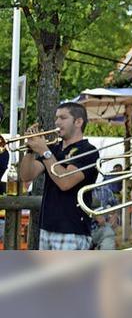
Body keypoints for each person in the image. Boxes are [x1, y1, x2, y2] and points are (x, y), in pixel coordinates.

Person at [19, 102, 98, 250]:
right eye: (56, 118)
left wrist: (44, 151)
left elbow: (65, 182)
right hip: (47, 227)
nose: (57, 122)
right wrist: (30, 150)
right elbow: (26, 175)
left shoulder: (88, 151)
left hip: (72, 229)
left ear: (78, 122)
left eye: (63, 117)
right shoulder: (53, 149)